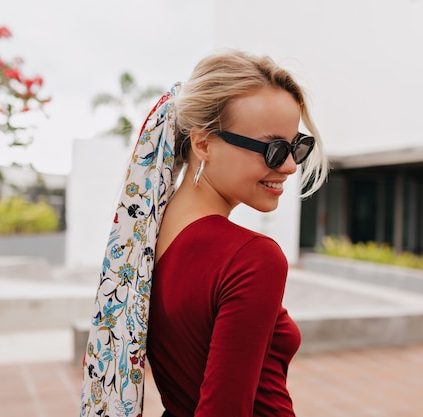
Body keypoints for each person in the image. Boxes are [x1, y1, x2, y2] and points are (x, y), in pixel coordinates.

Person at [79, 49, 328, 417]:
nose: (290, 166)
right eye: (274, 149)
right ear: (203, 143)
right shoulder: (252, 257)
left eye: (297, 146)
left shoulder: (144, 240)